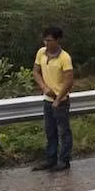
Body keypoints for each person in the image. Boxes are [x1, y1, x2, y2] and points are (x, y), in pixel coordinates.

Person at [31, 26, 75, 171]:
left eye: (49, 40)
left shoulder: (65, 58)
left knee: (63, 132)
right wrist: (44, 87)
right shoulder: (41, 53)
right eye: (45, 40)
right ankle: (50, 159)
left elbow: (69, 80)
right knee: (50, 131)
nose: (46, 43)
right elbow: (36, 72)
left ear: (57, 40)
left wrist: (58, 99)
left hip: (61, 100)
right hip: (47, 98)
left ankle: (63, 161)